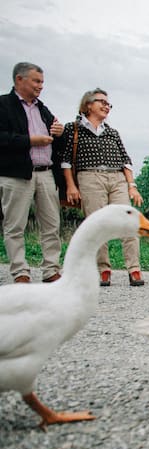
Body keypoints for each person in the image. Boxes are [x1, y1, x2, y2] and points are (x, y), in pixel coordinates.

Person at [60, 88, 146, 286]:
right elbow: (66, 162)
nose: (106, 106)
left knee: (128, 220)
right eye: (102, 102)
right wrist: (71, 186)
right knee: (97, 224)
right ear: (88, 104)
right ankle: (103, 269)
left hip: (116, 177)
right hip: (89, 176)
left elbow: (126, 160)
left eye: (108, 104)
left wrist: (132, 186)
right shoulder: (74, 129)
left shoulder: (112, 132)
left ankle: (134, 269)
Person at [0, 62, 64, 284]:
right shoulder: (3, 104)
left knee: (51, 224)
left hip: (46, 172)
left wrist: (59, 131)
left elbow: (57, 137)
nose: (41, 86)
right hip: (17, 174)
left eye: (42, 82)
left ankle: (51, 269)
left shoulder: (42, 108)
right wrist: (30, 140)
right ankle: (20, 271)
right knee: (15, 225)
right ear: (19, 79)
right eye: (36, 81)